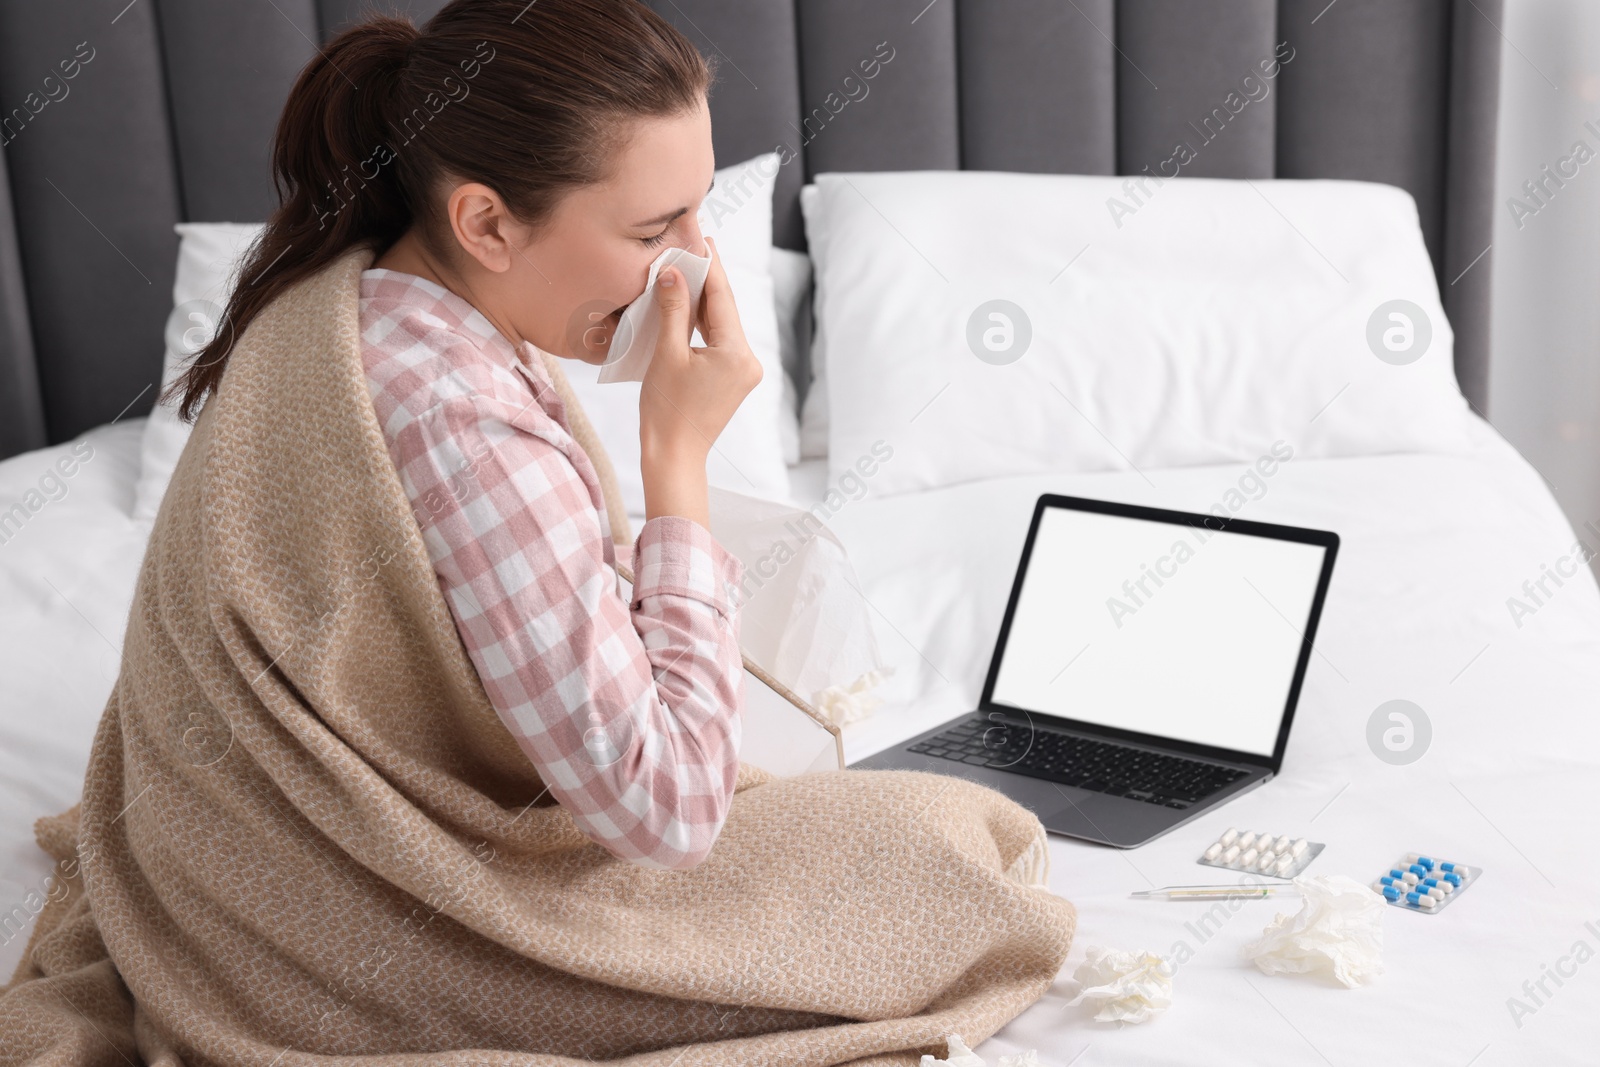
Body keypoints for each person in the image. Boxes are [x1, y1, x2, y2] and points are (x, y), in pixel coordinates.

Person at [169, 0, 760, 870]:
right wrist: (676, 461)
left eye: (697, 213)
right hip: (348, 903)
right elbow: (668, 816)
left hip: (242, 853)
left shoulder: (371, 298)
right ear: (485, 223)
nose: (692, 261)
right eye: (650, 231)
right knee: (951, 844)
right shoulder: (464, 418)